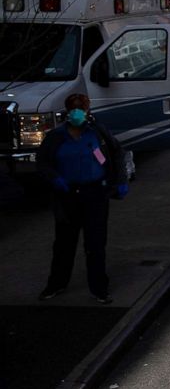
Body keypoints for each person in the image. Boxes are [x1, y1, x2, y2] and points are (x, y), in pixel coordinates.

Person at [37, 93, 127, 304]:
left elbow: (116, 153)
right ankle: (56, 284)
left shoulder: (96, 133)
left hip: (95, 194)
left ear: (87, 111)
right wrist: (55, 178)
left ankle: (99, 288)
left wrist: (120, 180)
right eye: (74, 108)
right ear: (68, 111)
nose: (77, 111)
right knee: (64, 244)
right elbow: (42, 163)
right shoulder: (56, 137)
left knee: (95, 244)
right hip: (67, 196)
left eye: (81, 107)